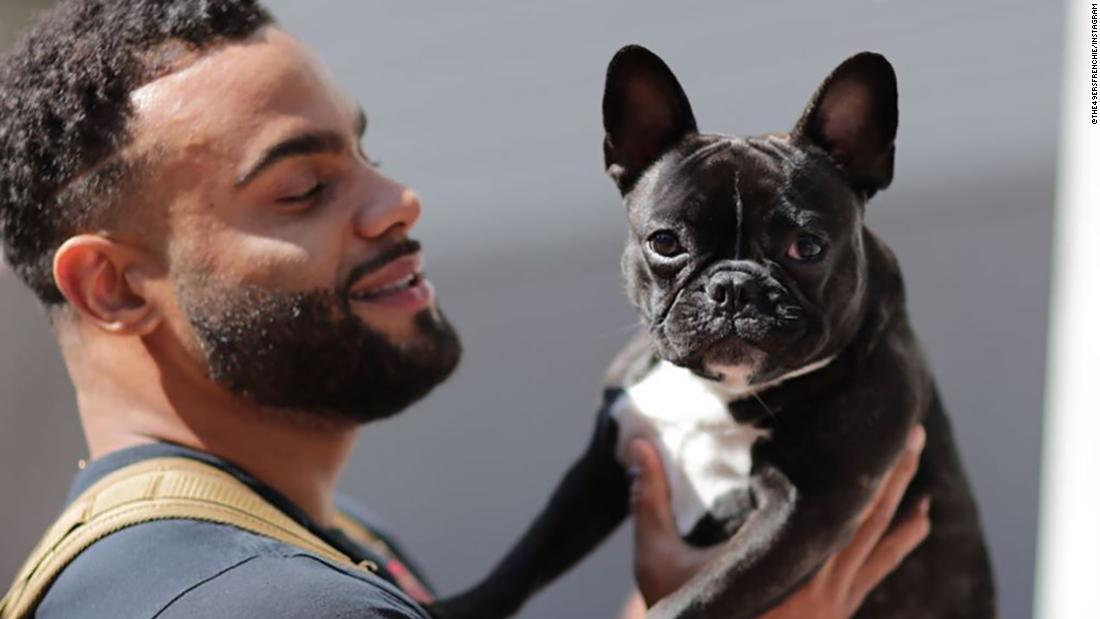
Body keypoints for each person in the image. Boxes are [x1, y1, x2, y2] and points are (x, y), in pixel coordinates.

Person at [0, 1, 930, 617]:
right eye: (302, 187)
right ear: (115, 286)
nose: (398, 199)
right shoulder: (262, 600)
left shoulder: (337, 543)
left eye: (369, 155)